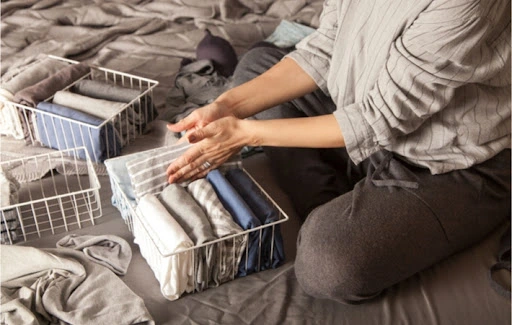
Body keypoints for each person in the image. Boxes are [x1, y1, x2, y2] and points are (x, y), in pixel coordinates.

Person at [166, 0, 511, 303]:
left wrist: (244, 134)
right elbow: (327, 46)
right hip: (367, 108)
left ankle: (349, 212)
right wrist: (227, 106)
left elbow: (380, 118)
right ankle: (342, 204)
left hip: (448, 160)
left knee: (327, 266)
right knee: (258, 63)